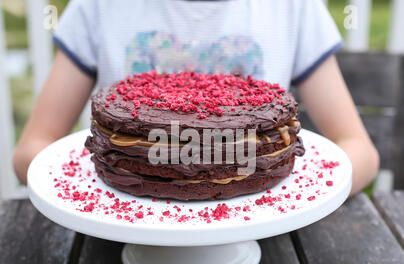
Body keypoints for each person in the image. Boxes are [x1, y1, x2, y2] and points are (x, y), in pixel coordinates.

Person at [13, 0, 379, 195]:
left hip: (268, 244)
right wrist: (84, 190)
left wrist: (299, 201)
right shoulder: (97, 7)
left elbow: (358, 149)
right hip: (111, 244)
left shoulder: (293, 8)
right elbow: (31, 151)